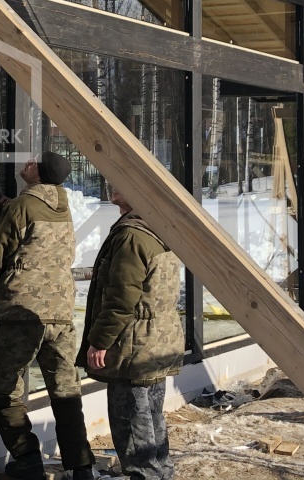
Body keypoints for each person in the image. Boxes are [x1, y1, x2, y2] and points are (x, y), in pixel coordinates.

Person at [0, 152, 96, 480]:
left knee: (3, 388)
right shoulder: (62, 207)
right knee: (65, 390)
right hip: (60, 311)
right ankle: (81, 466)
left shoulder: (21, 207)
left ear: (38, 173)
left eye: (33, 161)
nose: (27, 161)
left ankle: (26, 455)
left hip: (21, 310)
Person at [78, 188, 184, 480]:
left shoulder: (132, 236)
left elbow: (121, 298)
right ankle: (160, 475)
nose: (114, 184)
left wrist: (100, 341)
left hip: (134, 345)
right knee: (151, 419)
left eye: (125, 182)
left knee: (133, 424)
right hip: (157, 342)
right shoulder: (159, 231)